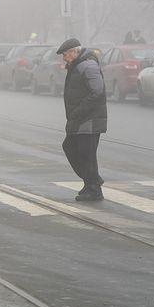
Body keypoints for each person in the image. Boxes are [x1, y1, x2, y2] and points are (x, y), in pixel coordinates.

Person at [57, 38, 107, 201]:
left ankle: (94, 187)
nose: (64, 58)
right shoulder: (78, 66)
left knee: (86, 154)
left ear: (74, 52)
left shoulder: (88, 65)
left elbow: (97, 91)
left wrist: (78, 111)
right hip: (80, 119)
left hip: (89, 120)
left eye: (65, 54)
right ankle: (90, 183)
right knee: (73, 149)